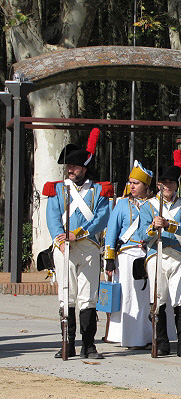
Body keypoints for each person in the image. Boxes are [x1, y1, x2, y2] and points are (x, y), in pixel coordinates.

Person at [44, 128, 112, 359]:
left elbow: (102, 218)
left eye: (74, 166)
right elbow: (53, 218)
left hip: (89, 247)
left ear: (84, 168)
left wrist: (78, 234)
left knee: (88, 297)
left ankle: (89, 345)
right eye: (68, 167)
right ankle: (68, 343)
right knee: (67, 297)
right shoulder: (58, 189)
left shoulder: (98, 191)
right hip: (64, 248)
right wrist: (60, 239)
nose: (70, 170)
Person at [139, 150, 181, 358]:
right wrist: (153, 226)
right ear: (158, 184)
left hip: (178, 255)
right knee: (158, 299)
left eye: (171, 182)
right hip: (156, 255)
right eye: (164, 182)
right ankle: (161, 342)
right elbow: (141, 233)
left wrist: (168, 225)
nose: (168, 185)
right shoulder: (148, 206)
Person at [104, 160, 154, 348]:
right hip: (126, 255)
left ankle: (146, 335)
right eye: (130, 182)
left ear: (146, 185)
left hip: (148, 254)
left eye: (136, 183)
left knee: (146, 297)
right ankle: (129, 337)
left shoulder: (154, 204)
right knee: (128, 296)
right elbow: (111, 232)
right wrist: (109, 259)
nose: (132, 186)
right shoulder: (122, 204)